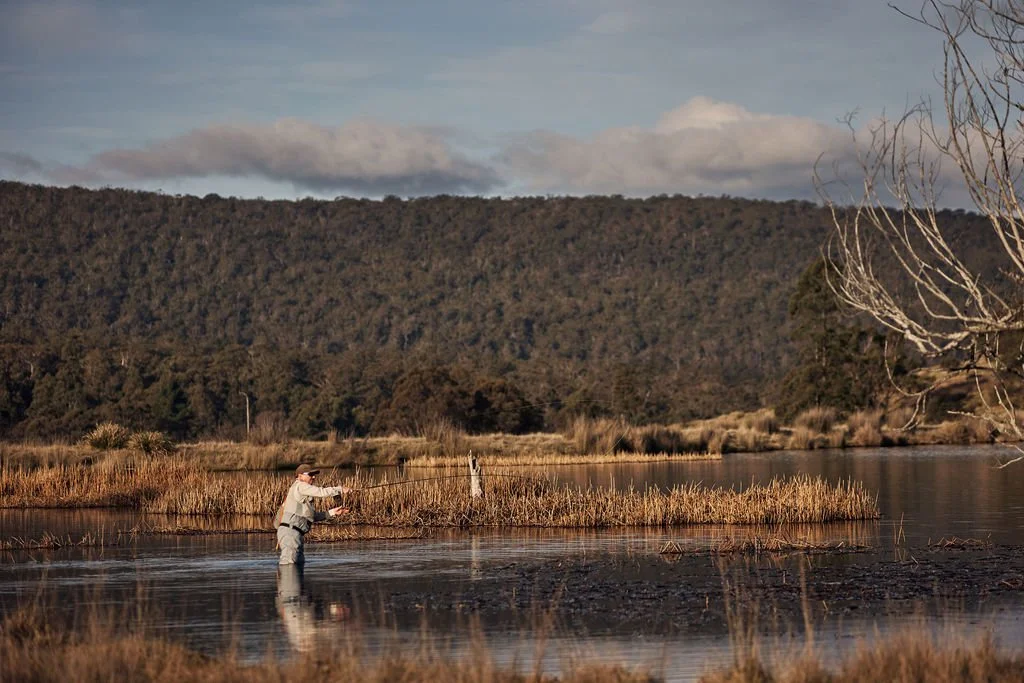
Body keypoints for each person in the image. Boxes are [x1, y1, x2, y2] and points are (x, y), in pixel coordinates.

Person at [276, 463, 350, 565]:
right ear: (300, 476)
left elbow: (312, 517)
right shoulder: (300, 485)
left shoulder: (303, 493)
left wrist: (333, 512)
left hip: (295, 534)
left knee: (296, 564)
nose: (314, 477)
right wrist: (339, 489)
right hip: (290, 533)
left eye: (314, 474)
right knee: (289, 564)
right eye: (310, 474)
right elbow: (321, 492)